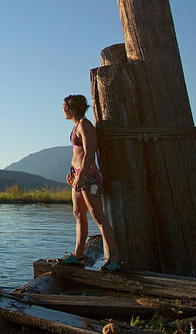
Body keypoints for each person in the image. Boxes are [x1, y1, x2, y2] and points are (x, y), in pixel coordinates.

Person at [60, 95, 122, 271]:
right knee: (78, 214)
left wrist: (83, 175)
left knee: (97, 215)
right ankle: (78, 255)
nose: (62, 110)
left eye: (64, 106)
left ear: (71, 109)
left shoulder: (84, 125)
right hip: (79, 175)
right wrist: (73, 171)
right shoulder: (75, 126)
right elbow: (77, 153)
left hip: (89, 177)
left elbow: (89, 152)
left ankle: (114, 259)